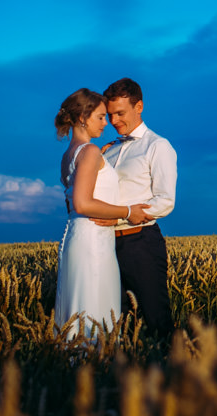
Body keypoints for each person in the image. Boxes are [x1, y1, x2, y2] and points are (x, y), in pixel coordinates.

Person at [53, 88, 151, 338]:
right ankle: (96, 366)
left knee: (83, 306)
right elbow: (82, 203)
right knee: (96, 309)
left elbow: (72, 203)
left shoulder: (70, 155)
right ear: (83, 118)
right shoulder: (89, 152)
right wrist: (128, 211)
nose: (106, 123)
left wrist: (102, 157)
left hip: (79, 236)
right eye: (100, 117)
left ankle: (76, 363)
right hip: (93, 240)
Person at [97, 77, 178, 337]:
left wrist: (120, 218)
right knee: (118, 321)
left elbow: (165, 200)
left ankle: (169, 371)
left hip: (140, 243)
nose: (114, 121)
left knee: (156, 318)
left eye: (120, 113)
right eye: (109, 115)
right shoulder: (108, 152)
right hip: (105, 246)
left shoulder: (158, 146)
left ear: (139, 106)